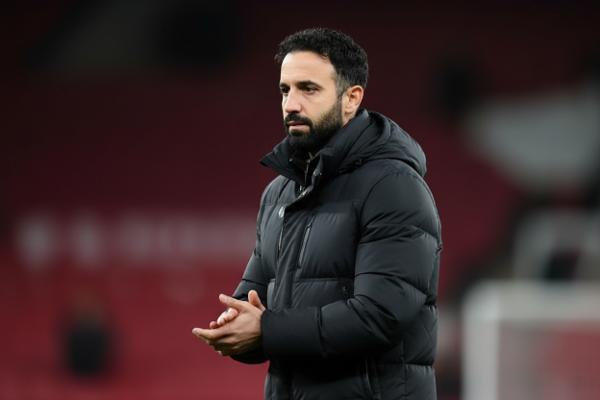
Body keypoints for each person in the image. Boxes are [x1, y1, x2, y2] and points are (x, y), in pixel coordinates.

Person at [193, 28, 442, 400]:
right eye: (285, 90)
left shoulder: (393, 187)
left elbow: (380, 316)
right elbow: (255, 303)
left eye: (308, 89)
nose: (291, 104)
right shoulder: (279, 194)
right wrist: (238, 325)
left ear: (351, 98)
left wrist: (267, 329)